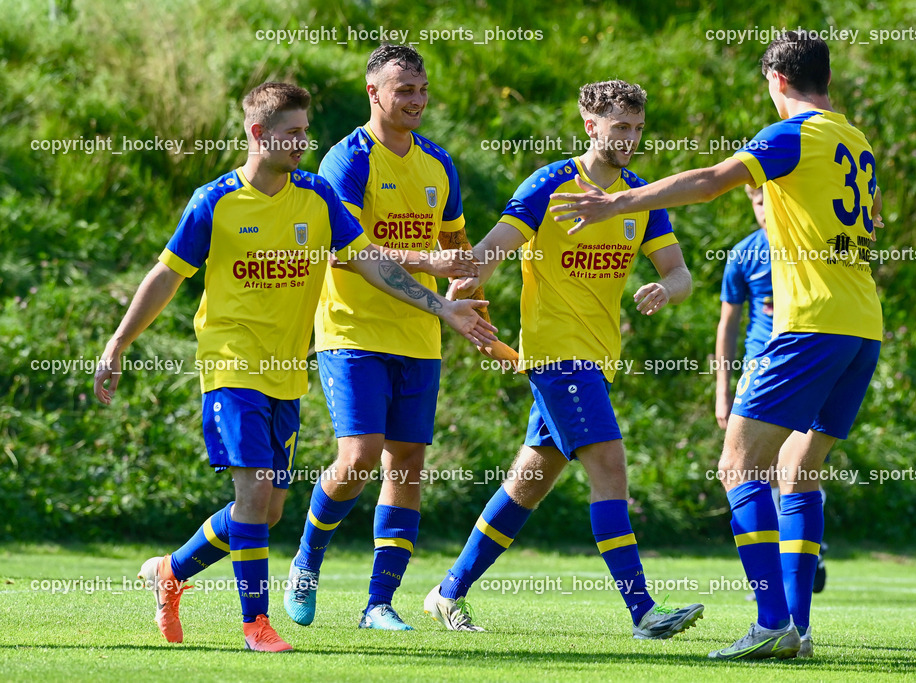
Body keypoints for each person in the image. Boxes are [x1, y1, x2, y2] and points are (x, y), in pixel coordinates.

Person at [93, 81, 495, 652]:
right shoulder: (214, 202)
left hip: (287, 373)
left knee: (267, 511)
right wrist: (117, 343)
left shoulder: (316, 196)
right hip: (230, 366)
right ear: (259, 134)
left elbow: (370, 261)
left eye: (306, 131)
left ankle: (171, 570)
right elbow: (166, 276)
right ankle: (255, 624)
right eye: (293, 133)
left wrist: (443, 307)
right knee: (256, 491)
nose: (304, 143)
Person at [549, 32, 883, 660]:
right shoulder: (854, 139)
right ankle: (797, 628)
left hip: (811, 323)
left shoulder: (792, 135)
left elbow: (709, 181)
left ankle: (772, 622)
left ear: (777, 80)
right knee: (797, 470)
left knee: (738, 466)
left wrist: (618, 201)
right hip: (862, 325)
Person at [422, 80, 705, 640]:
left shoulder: (640, 196)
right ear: (590, 125)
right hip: (558, 358)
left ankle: (447, 592)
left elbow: (681, 274)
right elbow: (492, 249)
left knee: (527, 483)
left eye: (638, 128)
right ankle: (644, 612)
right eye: (620, 127)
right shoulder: (550, 184)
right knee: (610, 467)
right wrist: (466, 287)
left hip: (597, 361)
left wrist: (666, 289)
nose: (629, 139)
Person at [282, 44, 490, 631]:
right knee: (359, 457)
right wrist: (429, 263)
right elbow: (346, 253)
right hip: (352, 329)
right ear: (373, 93)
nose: (417, 101)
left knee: (408, 465)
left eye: (422, 90)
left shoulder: (439, 164)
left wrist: (466, 297)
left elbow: (454, 249)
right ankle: (307, 560)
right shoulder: (346, 160)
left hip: (419, 334)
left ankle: (379, 604)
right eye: (405, 91)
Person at [716, 186, 828, 598]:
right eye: (758, 201)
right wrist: (722, 390)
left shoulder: (809, 245)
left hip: (804, 366)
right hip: (760, 370)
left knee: (796, 466)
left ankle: (790, 564)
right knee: (748, 469)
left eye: (771, 200)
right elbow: (728, 325)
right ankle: (777, 570)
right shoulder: (743, 254)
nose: (764, 209)